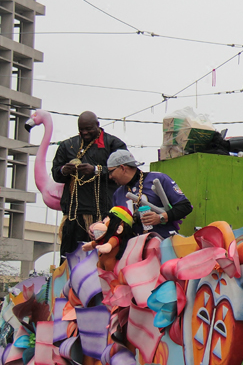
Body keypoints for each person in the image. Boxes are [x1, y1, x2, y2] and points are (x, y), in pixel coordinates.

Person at [51, 111, 127, 259]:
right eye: (82, 129)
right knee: (70, 258)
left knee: (104, 258)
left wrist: (96, 170)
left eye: (88, 129)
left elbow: (125, 170)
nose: (85, 133)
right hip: (74, 215)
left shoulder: (113, 144)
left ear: (97, 125)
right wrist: (64, 170)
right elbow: (56, 174)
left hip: (105, 215)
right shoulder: (68, 146)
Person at [108, 150, 193, 239]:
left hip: (164, 243)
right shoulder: (117, 194)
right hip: (134, 247)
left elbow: (185, 206)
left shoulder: (158, 179)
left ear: (122, 168)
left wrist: (160, 218)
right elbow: (115, 223)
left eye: (111, 171)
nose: (110, 176)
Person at [81, 205, 135, 271]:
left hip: (110, 264)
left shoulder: (114, 238)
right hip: (100, 263)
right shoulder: (105, 237)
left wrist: (108, 246)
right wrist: (92, 245)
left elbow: (111, 244)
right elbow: (98, 243)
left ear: (119, 227)